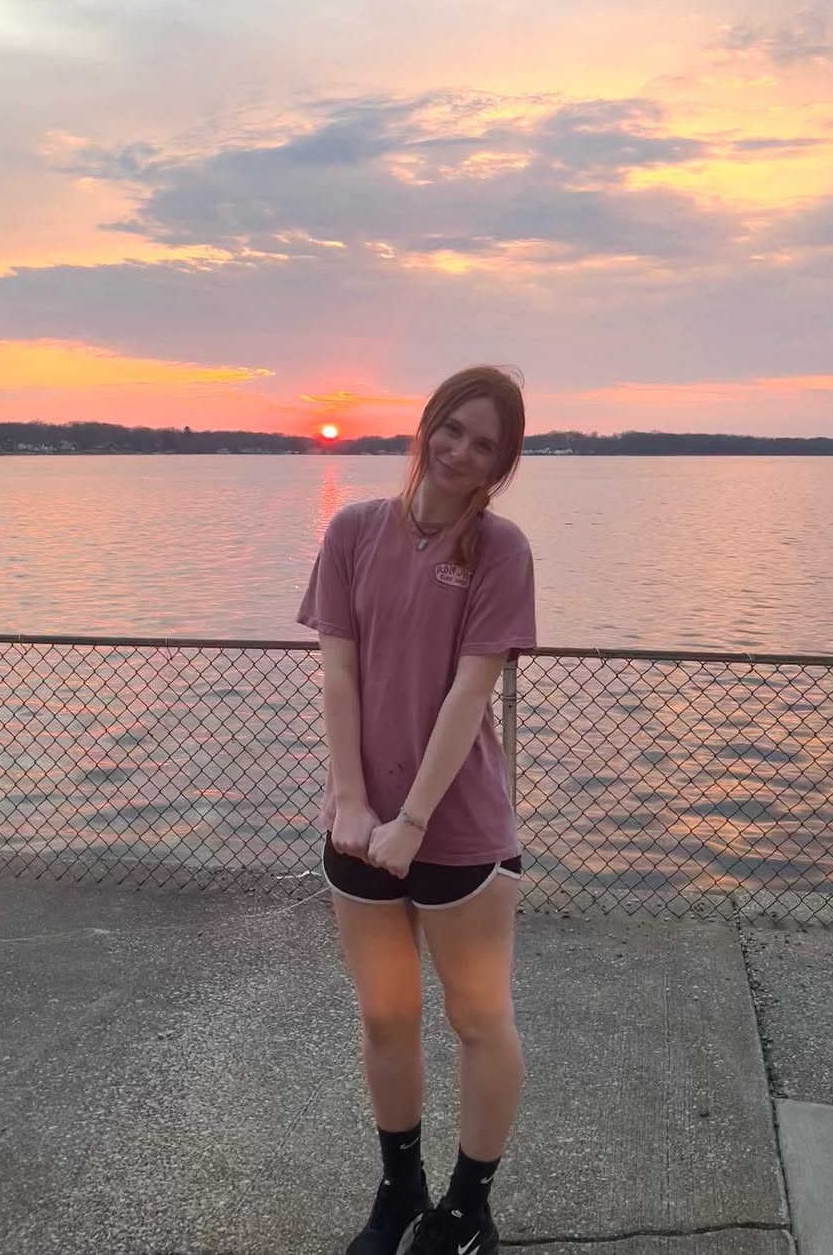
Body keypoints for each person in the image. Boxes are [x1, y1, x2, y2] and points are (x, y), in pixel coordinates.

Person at [296, 365, 536, 1255]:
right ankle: (401, 1192)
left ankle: (468, 1214)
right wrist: (356, 802)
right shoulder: (354, 531)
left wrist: (414, 820)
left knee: (479, 1018)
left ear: (501, 464)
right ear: (427, 424)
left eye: (485, 445)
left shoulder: (500, 550)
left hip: (457, 829)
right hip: (359, 826)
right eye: (453, 429)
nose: (461, 452)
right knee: (386, 1017)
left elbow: (471, 692)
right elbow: (339, 674)